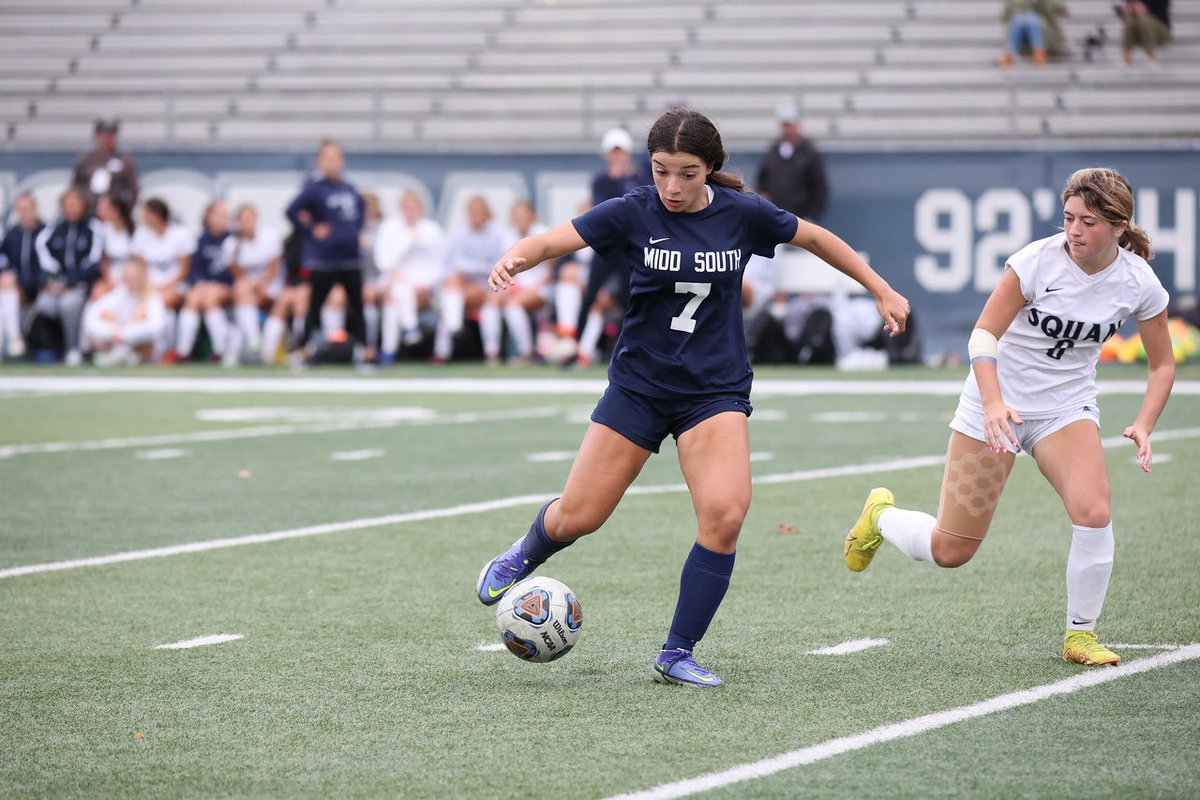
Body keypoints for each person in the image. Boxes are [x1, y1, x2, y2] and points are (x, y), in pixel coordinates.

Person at [475, 108, 910, 687]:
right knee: (581, 515)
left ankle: (677, 652)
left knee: (726, 515)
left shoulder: (743, 214)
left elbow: (814, 236)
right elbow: (558, 237)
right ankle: (524, 553)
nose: (672, 187)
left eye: (686, 173)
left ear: (711, 169)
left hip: (714, 389)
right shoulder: (634, 211)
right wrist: (517, 258)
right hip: (640, 386)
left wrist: (879, 287)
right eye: (661, 171)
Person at [842, 167, 1174, 668]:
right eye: (1068, 218)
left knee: (1094, 512)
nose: (1075, 230)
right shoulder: (1036, 262)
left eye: (1088, 221)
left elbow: (1163, 363)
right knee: (951, 550)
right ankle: (880, 516)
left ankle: (1080, 634)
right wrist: (994, 403)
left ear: (1119, 225)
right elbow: (982, 336)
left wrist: (1145, 422)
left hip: (1066, 409)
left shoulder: (1138, 281)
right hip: (993, 404)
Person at [286, 139, 368, 365]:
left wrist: (354, 232)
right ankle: (302, 350)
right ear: (320, 161)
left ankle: (364, 352)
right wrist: (312, 230)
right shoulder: (314, 188)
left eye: (337, 157)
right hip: (325, 260)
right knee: (314, 307)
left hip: (350, 258)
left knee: (358, 307)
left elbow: (360, 211)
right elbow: (292, 211)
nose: (333, 162)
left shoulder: (349, 187)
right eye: (328, 158)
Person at [576, 128, 648, 364]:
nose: (617, 156)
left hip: (628, 249)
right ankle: (576, 345)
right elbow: (605, 208)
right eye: (613, 151)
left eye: (621, 151)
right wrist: (618, 178)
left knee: (630, 298)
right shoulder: (601, 179)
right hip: (607, 247)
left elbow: (638, 206)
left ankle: (626, 349)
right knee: (590, 294)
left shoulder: (638, 177)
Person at [371, 189, 446, 363]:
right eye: (407, 207)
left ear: (421, 208)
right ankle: (410, 327)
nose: (411, 211)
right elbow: (384, 263)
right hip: (393, 283)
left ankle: (388, 351)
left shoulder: (432, 230)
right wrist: (408, 241)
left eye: (414, 207)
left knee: (394, 300)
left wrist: (424, 284)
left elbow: (439, 265)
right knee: (397, 290)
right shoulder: (389, 228)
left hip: (423, 288)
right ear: (401, 208)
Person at [433, 195, 509, 363]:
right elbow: (446, 266)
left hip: (489, 287)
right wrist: (458, 276)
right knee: (451, 294)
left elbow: (500, 265)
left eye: (478, 212)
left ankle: (491, 353)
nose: (474, 216)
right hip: (461, 289)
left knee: (486, 308)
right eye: (471, 213)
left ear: (486, 213)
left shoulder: (498, 234)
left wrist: (467, 270)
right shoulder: (458, 233)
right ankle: (444, 348)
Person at [33, 187, 103, 365]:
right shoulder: (54, 227)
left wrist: (69, 281)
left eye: (75, 203)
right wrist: (52, 278)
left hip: (81, 285)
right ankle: (52, 347)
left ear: (83, 205)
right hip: (56, 284)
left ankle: (73, 348)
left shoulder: (93, 227)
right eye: (68, 204)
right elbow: (42, 254)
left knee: (69, 304)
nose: (71, 207)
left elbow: (93, 262)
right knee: (44, 304)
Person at [130, 197, 193, 360]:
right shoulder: (141, 235)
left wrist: (163, 286)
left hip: (176, 286)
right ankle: (143, 348)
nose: (142, 217)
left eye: (145, 213)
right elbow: (140, 267)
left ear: (157, 215)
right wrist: (150, 287)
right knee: (155, 306)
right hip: (149, 288)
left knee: (159, 303)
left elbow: (184, 270)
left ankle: (165, 351)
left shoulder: (180, 234)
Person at [223, 204, 283, 365]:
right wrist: (253, 286)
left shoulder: (270, 237)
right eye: (243, 219)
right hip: (247, 289)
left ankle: (264, 349)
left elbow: (273, 270)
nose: (247, 223)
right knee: (241, 289)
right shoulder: (231, 244)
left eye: (250, 218)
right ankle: (253, 338)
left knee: (244, 297)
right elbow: (238, 275)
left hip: (270, 286)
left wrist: (260, 284)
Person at [176, 200, 232, 362]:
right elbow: (194, 270)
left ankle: (220, 349)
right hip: (203, 287)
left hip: (225, 287)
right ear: (209, 217)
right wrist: (200, 283)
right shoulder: (200, 240)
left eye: (227, 217)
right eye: (221, 216)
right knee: (193, 298)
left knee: (210, 298)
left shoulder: (232, 240)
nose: (224, 220)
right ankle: (183, 351)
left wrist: (215, 284)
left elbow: (233, 272)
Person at [83, 256, 165, 366]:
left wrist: (127, 333)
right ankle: (120, 355)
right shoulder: (115, 295)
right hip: (116, 341)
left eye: (135, 276)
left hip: (140, 346)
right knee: (106, 315)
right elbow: (91, 321)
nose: (131, 280)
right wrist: (113, 331)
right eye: (128, 276)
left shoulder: (152, 298)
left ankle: (123, 356)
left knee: (141, 317)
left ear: (143, 276)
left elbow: (156, 327)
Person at [755, 103, 829, 223]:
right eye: (785, 125)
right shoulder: (773, 150)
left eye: (790, 125)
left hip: (801, 219)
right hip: (775, 218)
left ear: (798, 125)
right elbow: (762, 180)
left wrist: (812, 216)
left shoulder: (809, 152)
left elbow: (819, 187)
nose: (788, 129)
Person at [0, 193, 45, 358]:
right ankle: (13, 339)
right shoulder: (11, 236)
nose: (25, 214)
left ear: (35, 209)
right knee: (7, 290)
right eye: (21, 210)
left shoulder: (46, 232)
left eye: (28, 209)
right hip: (17, 290)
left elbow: (51, 266)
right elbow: (5, 266)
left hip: (41, 289)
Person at [71, 118, 139, 210]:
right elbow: (75, 187)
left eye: (111, 135)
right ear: (96, 135)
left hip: (115, 211)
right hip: (88, 210)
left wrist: (124, 210)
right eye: (103, 134)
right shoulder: (85, 160)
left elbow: (133, 189)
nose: (107, 139)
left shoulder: (125, 161)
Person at [92, 194, 136, 300]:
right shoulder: (102, 229)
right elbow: (104, 260)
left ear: (115, 209)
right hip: (111, 278)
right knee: (97, 293)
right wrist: (108, 280)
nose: (98, 210)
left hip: (132, 278)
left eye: (102, 207)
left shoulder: (134, 230)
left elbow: (139, 261)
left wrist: (127, 279)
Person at [998, 0, 1067, 66]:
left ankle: (1010, 52)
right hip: (1021, 37)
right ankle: (1038, 51)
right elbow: (1005, 17)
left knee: (1031, 19)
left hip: (1045, 34)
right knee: (1020, 19)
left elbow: (1059, 9)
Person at [1120, 1, 1171, 66]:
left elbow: (1161, 11)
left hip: (1160, 26)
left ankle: (1151, 57)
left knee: (1144, 22)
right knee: (1130, 20)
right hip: (1139, 26)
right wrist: (1129, 10)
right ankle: (1126, 56)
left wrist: (1143, 11)